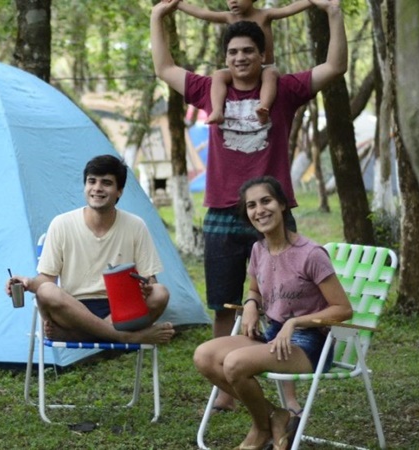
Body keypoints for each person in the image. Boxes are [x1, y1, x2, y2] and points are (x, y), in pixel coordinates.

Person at [151, 0, 346, 414]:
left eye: (247, 51)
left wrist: (334, 14)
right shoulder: (209, 90)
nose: (240, 58)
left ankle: (285, 389)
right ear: (226, 59)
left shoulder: (284, 90)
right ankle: (226, 386)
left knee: (287, 297)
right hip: (222, 210)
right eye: (233, 53)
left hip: (272, 212)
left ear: (262, 56)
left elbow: (334, 67)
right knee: (223, 301)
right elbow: (164, 69)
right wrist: (157, 18)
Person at [193, 176, 352, 450]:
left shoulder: (310, 254)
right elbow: (255, 290)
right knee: (204, 356)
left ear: (282, 204)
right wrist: (252, 304)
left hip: (312, 343)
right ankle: (275, 415)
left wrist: (295, 322)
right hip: (273, 335)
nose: (259, 210)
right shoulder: (259, 249)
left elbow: (343, 309)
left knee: (234, 364)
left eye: (266, 201)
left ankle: (260, 429)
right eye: (252, 205)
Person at [6, 155, 175, 345]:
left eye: (106, 183)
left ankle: (79, 335)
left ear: (119, 191)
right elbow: (47, 279)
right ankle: (125, 338)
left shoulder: (136, 225)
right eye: (91, 181)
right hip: (73, 309)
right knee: (46, 291)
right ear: (85, 186)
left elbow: (150, 280)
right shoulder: (62, 223)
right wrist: (28, 282)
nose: (97, 188)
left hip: (120, 310)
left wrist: (146, 287)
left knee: (160, 292)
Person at [173, 0, 313, 124]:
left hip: (265, 67)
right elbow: (203, 13)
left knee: (270, 75)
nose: (233, 1)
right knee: (218, 75)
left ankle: (263, 108)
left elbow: (288, 9)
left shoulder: (265, 15)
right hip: (240, 68)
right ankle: (217, 111)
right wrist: (178, 4)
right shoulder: (229, 16)